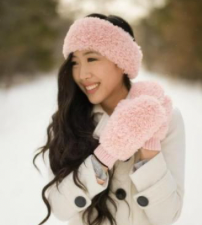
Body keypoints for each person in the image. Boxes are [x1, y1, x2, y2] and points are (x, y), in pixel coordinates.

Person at [33, 13, 186, 225]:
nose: (82, 74)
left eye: (92, 58)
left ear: (122, 62)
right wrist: (105, 155)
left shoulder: (166, 118)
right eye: (75, 62)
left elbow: (167, 216)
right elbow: (59, 208)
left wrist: (149, 146)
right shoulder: (67, 120)